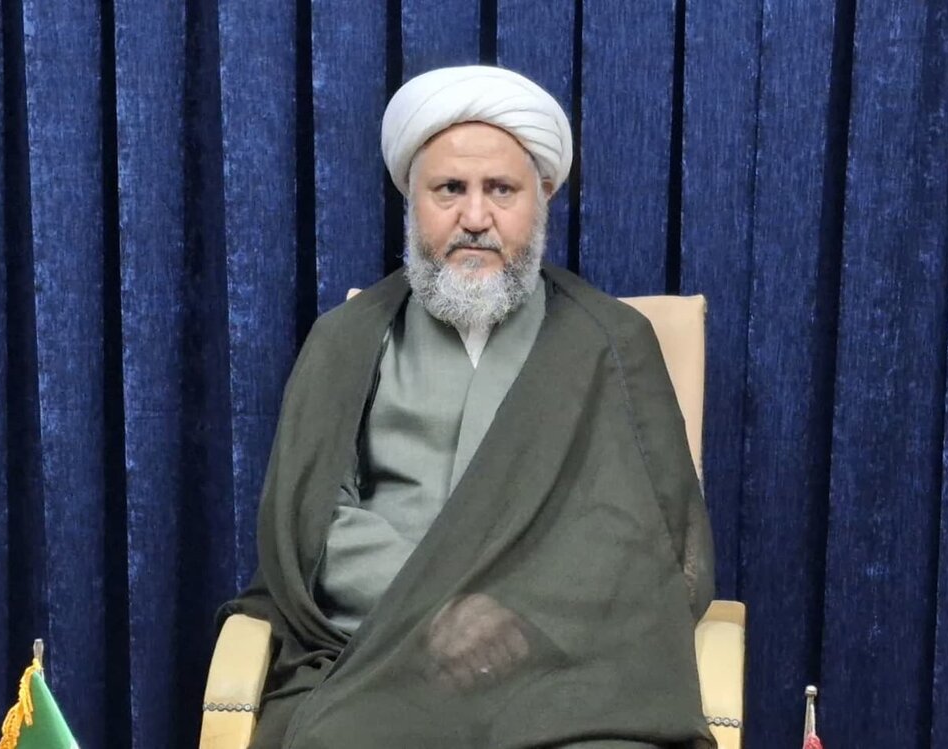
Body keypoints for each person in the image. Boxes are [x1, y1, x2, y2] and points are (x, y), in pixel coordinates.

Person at [220, 65, 715, 749]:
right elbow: (309, 523)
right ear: (413, 200)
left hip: (564, 675)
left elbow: (647, 541)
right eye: (449, 189)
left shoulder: (612, 342)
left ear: (542, 197)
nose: (475, 218)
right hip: (381, 654)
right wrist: (438, 611)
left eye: (501, 190)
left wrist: (516, 620)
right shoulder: (348, 340)